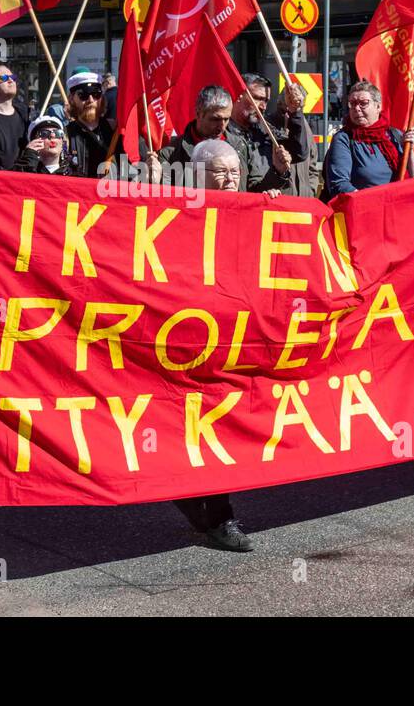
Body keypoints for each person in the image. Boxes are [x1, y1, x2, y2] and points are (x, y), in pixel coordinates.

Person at [169, 138, 278, 554]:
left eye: (235, 170)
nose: (231, 178)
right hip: (189, 337)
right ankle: (215, 514)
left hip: (236, 338)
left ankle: (207, 506)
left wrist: (272, 203)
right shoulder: (174, 210)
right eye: (221, 171)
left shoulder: (250, 207)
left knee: (221, 423)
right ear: (198, 173)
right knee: (198, 420)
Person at [158, 85, 291, 193]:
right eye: (215, 119)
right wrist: (151, 179)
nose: (222, 126)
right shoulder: (172, 153)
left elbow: (254, 190)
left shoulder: (239, 146)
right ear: (198, 113)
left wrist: (277, 172)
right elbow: (160, 198)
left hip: (232, 222)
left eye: (226, 119)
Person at [324, 81, 414, 199]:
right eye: (352, 104)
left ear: (378, 106)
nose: (357, 108)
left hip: (399, 208)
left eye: (363, 103)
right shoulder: (344, 138)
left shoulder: (395, 135)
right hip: (367, 211)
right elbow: (339, 184)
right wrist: (371, 203)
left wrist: (410, 151)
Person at [231, 74, 309, 197]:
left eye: (266, 100)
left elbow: (298, 152)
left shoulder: (265, 130)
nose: (263, 106)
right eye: (257, 98)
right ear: (239, 96)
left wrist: (295, 112)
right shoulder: (220, 133)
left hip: (259, 209)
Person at [265, 79, 315, 197]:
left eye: (297, 109)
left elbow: (312, 164)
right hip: (279, 199)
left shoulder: (304, 128)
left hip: (304, 200)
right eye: (288, 109)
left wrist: (310, 190)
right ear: (279, 104)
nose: (291, 114)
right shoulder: (267, 127)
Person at [64, 70, 117, 179]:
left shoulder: (114, 130)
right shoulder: (66, 135)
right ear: (71, 99)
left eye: (96, 94)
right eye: (83, 95)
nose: (91, 100)